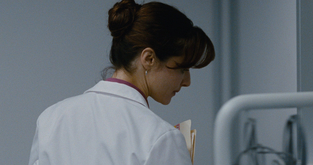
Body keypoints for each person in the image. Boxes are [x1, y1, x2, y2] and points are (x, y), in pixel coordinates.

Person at [28, 0, 215, 164]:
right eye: (182, 69)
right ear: (149, 58)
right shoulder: (161, 138)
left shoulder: (50, 119)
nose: (187, 81)